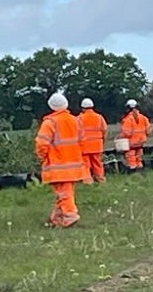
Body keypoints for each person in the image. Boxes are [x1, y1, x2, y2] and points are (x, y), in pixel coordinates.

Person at [36, 92, 86, 227]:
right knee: (65, 191)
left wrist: (41, 157)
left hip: (57, 165)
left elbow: (42, 144)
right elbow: (82, 140)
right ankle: (57, 218)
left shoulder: (50, 123)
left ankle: (70, 215)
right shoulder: (75, 120)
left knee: (63, 192)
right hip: (74, 163)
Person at [78, 98, 108, 184]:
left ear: (83, 108)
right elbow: (105, 130)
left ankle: (87, 180)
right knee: (97, 163)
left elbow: (76, 132)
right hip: (97, 145)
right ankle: (100, 179)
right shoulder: (99, 117)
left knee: (85, 164)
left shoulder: (79, 118)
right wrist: (102, 141)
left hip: (84, 146)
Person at [120, 99, 151, 173]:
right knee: (139, 159)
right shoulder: (144, 118)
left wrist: (120, 137)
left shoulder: (128, 119)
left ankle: (133, 173)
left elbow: (127, 133)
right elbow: (148, 131)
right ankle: (140, 172)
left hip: (131, 144)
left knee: (131, 159)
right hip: (141, 143)